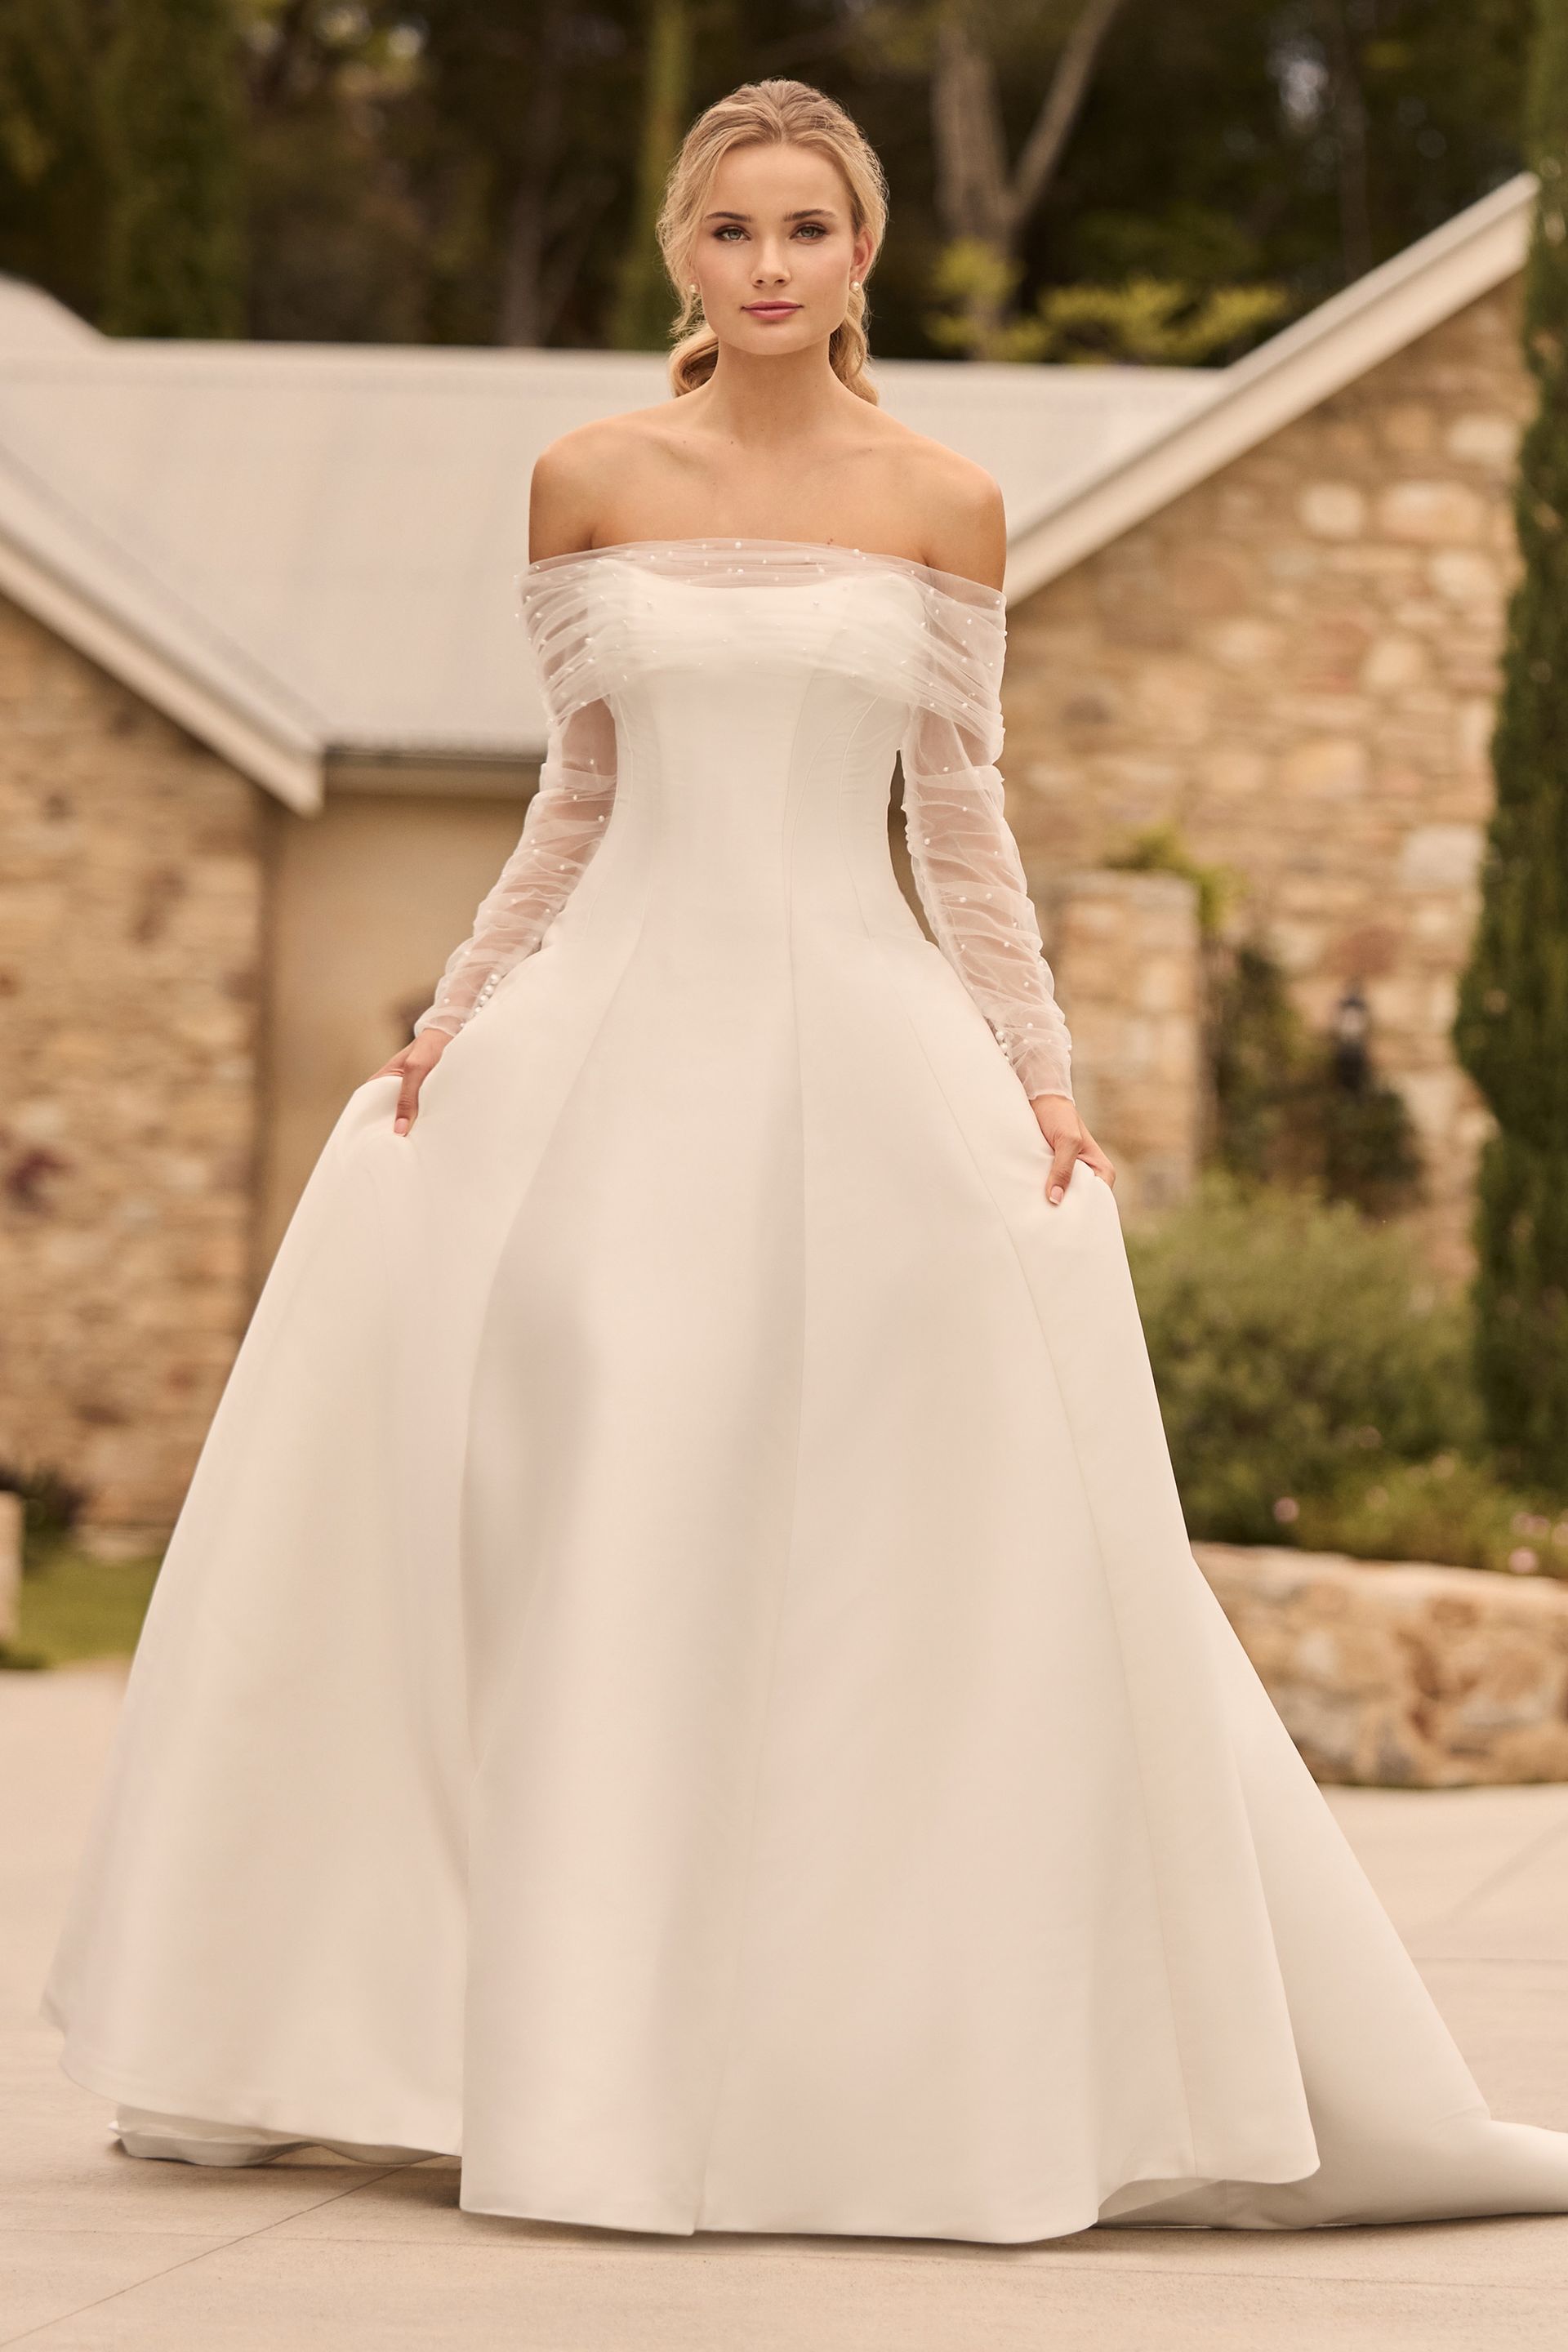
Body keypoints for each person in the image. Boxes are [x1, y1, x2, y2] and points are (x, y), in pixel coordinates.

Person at [42, 79, 1568, 2241]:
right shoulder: (587, 482)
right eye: (734, 230)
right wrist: (459, 1014)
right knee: (605, 1483)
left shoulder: (946, 503)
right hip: (600, 1062)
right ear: (688, 255)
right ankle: (555, 2051)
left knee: (893, 1538)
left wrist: (1039, 1072)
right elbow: (575, 790)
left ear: (867, 259)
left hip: (866, 1056)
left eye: (811, 230)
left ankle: (855, 2052)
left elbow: (961, 820)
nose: (771, 266)